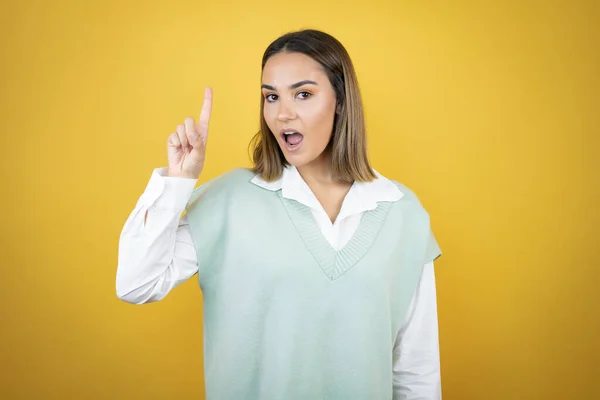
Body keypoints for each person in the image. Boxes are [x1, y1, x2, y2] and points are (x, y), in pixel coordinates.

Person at [116, 29, 442, 400]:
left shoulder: (402, 211)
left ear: (340, 101)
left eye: (303, 94)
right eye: (271, 96)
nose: (282, 113)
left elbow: (415, 370)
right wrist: (178, 182)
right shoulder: (230, 200)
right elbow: (136, 283)